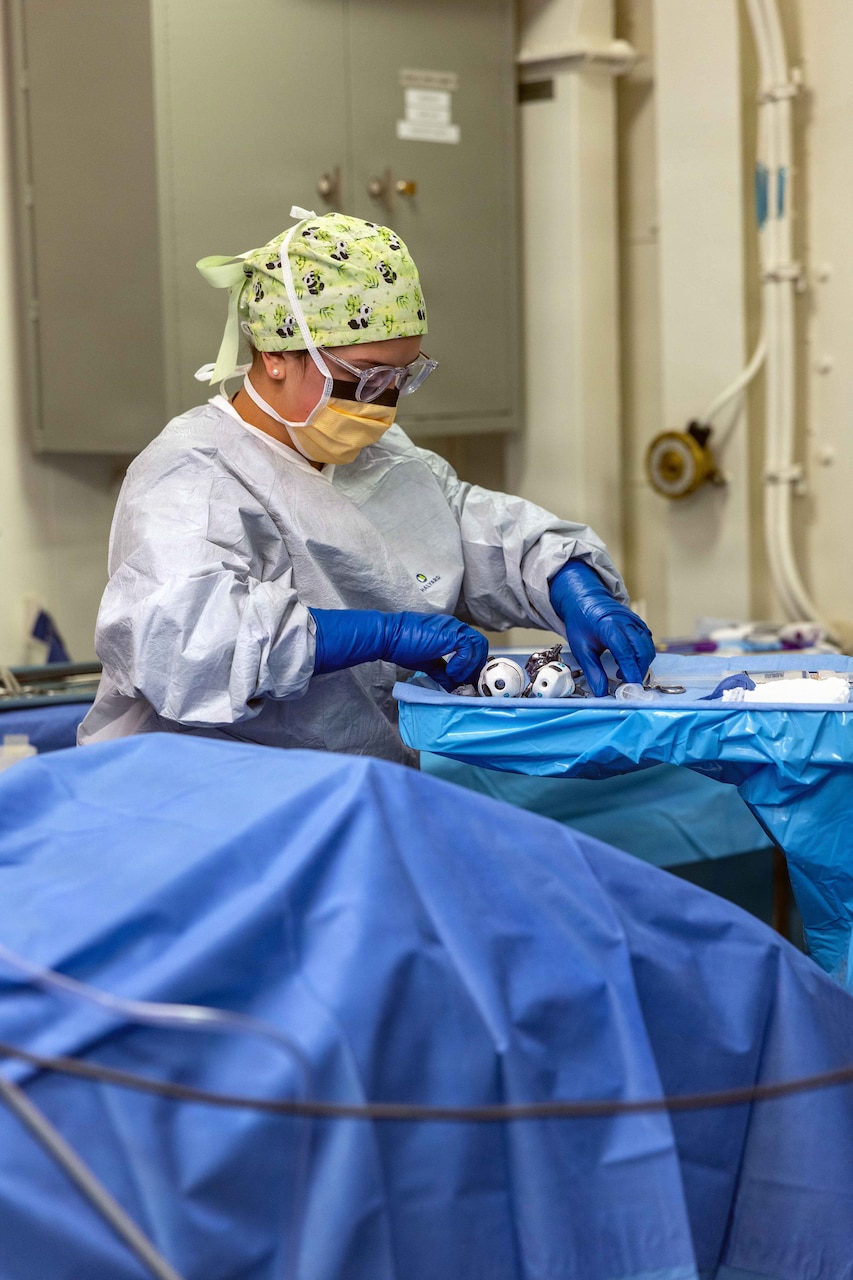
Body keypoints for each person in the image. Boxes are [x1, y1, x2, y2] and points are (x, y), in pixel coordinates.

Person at [78, 207, 654, 764]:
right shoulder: (190, 474)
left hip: (349, 798)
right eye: (366, 377)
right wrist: (381, 633)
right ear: (278, 354)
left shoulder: (377, 458)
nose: (384, 403)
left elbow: (471, 530)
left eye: (402, 377)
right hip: (204, 809)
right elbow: (187, 645)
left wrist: (570, 582)